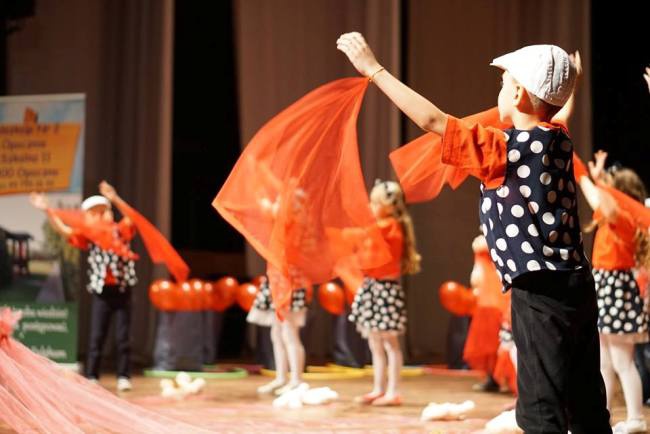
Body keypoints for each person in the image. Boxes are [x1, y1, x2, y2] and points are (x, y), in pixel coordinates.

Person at [337, 32, 611, 432]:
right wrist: (570, 82)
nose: (498, 91)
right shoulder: (559, 140)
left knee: (539, 405)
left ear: (518, 95)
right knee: (585, 396)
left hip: (538, 293)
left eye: (503, 83)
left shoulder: (501, 149)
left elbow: (432, 121)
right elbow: (558, 113)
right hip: (577, 286)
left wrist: (374, 70)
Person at [30, 181, 137, 391]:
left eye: (103, 211)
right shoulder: (90, 236)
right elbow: (65, 231)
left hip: (123, 291)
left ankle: (124, 376)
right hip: (101, 293)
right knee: (97, 336)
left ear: (109, 213)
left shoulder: (121, 231)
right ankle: (92, 376)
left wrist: (114, 198)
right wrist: (47, 210)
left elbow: (133, 218)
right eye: (94, 213)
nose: (99, 216)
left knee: (123, 338)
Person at [577, 150, 650, 433]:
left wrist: (592, 180)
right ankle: (602, 416)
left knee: (622, 361)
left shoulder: (622, 216)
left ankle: (636, 418)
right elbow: (601, 204)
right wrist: (597, 181)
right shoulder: (611, 216)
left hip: (617, 287)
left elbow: (605, 204)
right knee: (605, 362)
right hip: (606, 286)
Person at [348, 180, 420, 406]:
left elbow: (364, 234)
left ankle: (393, 391)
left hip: (385, 291)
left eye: (373, 203)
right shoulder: (379, 226)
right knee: (375, 343)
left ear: (386, 206)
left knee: (390, 343)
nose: (370, 207)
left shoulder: (389, 227)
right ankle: (379, 388)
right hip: (372, 288)